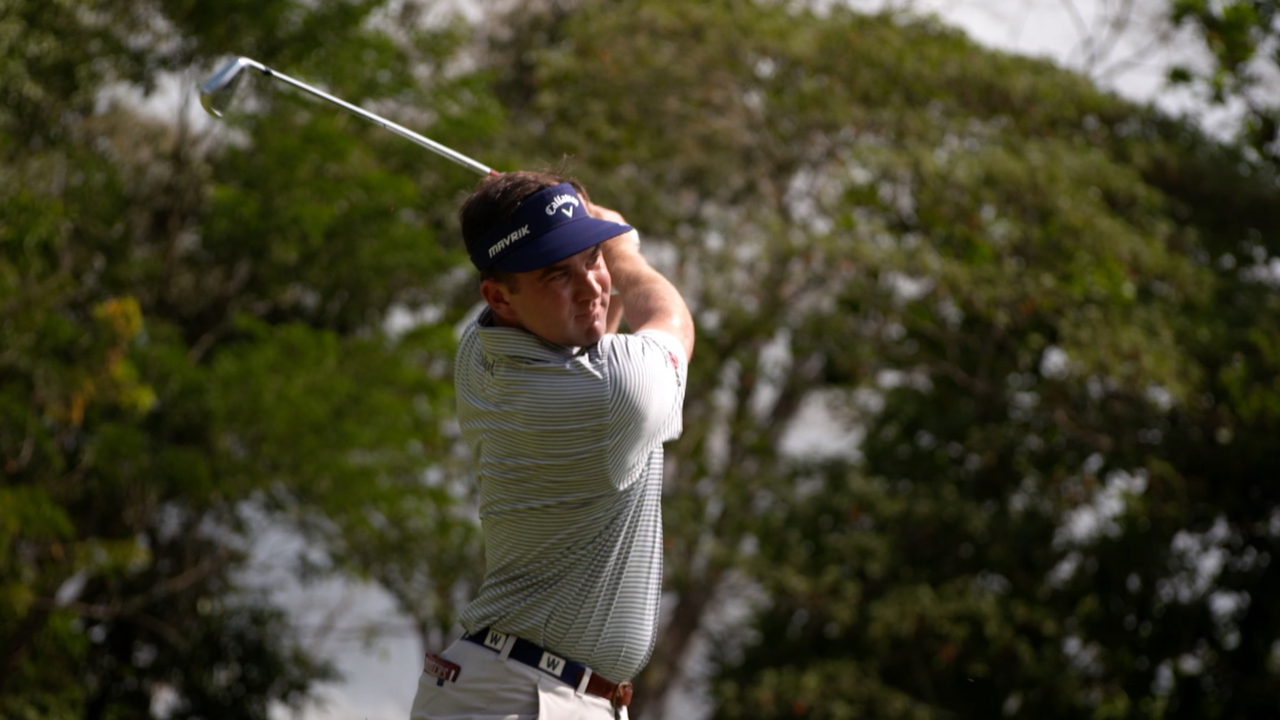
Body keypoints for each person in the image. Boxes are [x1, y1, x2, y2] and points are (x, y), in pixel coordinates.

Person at [410, 170, 695, 720]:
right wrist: (621, 247)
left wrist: (539, 210)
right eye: (557, 274)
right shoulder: (612, 394)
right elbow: (672, 323)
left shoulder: (478, 352)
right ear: (499, 295)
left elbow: (595, 333)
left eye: (591, 259)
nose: (592, 287)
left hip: (513, 686)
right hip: (525, 697)